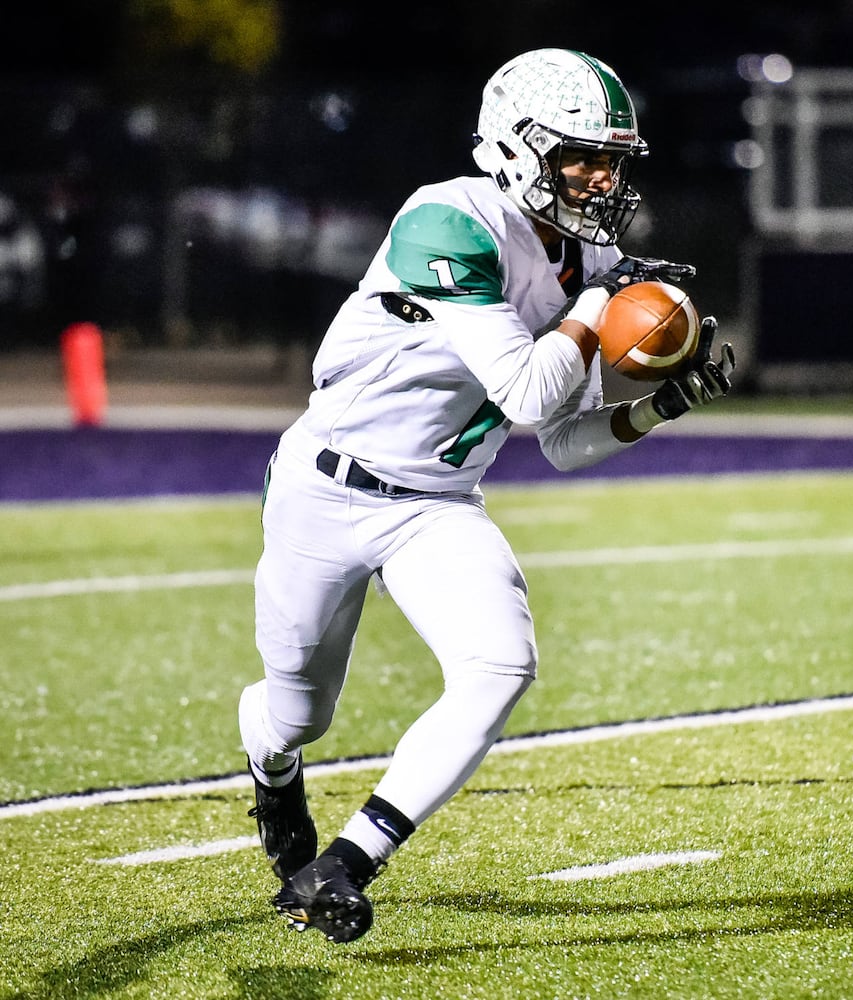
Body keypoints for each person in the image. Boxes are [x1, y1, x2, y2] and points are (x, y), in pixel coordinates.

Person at [237, 48, 735, 944]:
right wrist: (594, 307)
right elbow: (526, 392)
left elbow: (563, 441)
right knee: (295, 713)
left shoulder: (593, 259)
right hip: (326, 487)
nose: (601, 176)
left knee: (502, 663)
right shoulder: (449, 218)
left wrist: (658, 406)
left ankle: (346, 863)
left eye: (612, 158)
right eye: (581, 154)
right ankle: (273, 778)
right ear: (517, 146)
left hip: (436, 503)